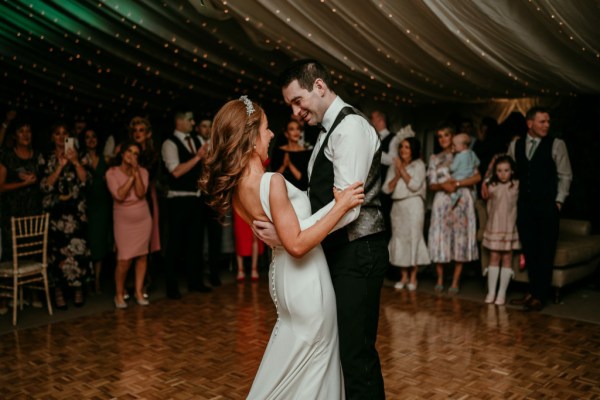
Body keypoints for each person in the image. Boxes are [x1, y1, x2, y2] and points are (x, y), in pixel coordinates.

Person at [200, 96, 364, 399]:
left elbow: (287, 235)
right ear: (250, 139)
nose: (271, 134)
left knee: (294, 364)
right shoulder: (272, 182)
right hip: (306, 281)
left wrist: (288, 233)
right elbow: (298, 244)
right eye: (265, 129)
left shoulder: (238, 191)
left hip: (283, 281)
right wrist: (341, 207)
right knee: (317, 366)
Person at [255, 59, 389, 399]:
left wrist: (292, 235)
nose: (296, 111)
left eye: (298, 101)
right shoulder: (327, 130)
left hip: (359, 251)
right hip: (338, 250)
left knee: (356, 356)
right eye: (290, 106)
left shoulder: (351, 128)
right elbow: (318, 197)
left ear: (319, 86)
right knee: (343, 354)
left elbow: (348, 207)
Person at [506, 107, 572, 311]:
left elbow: (565, 175)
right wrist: (488, 181)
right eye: (542, 122)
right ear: (530, 123)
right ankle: (532, 292)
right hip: (524, 206)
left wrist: (558, 201)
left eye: (548, 122)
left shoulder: (556, 144)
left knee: (545, 251)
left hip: (547, 206)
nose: (547, 125)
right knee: (530, 249)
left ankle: (539, 296)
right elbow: (507, 168)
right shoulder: (515, 144)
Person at [39, 122, 91, 309]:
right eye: (57, 133)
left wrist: (75, 162)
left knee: (79, 251)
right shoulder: (46, 157)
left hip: (76, 214)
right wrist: (60, 167)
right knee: (55, 254)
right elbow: (45, 186)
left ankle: (78, 290)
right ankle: (59, 292)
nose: (61, 137)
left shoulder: (81, 154)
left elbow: (87, 181)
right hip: (56, 216)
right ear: (52, 137)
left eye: (65, 133)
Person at [161, 109, 211, 298]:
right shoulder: (169, 143)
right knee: (175, 243)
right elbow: (175, 172)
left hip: (196, 198)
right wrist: (198, 157)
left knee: (195, 243)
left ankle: (195, 282)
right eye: (190, 120)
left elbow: (203, 165)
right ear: (179, 121)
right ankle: (171, 286)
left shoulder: (197, 141)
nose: (193, 123)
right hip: (178, 199)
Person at [427, 125, 480, 295]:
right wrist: (444, 185)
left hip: (462, 200)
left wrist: (456, 184)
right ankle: (441, 278)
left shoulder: (465, 154)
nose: (443, 139)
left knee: (460, 238)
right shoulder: (435, 158)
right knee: (440, 238)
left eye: (446, 135)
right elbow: (432, 185)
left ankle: (456, 280)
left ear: (453, 137)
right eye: (440, 136)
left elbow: (477, 177)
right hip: (442, 201)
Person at [106, 141, 152, 308]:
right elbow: (119, 195)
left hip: (143, 219)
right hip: (123, 220)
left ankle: (138, 291)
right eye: (130, 152)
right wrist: (132, 176)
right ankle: (119, 293)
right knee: (124, 259)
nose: (132, 156)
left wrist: (137, 173)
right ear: (122, 153)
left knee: (142, 256)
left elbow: (140, 193)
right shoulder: (111, 173)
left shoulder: (144, 172)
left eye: (136, 153)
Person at [382, 137, 430, 291]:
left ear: (413, 150)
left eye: (407, 147)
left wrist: (402, 170)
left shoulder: (419, 165)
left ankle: (413, 277)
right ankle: (403, 276)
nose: (403, 150)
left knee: (414, 238)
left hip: (414, 204)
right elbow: (386, 189)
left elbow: (415, 186)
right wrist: (396, 174)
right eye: (401, 146)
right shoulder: (393, 166)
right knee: (400, 239)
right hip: (397, 206)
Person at [481, 155, 520, 305]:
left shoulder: (516, 185)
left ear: (512, 171)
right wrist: (493, 161)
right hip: (495, 226)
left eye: (506, 170)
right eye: (499, 171)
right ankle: (491, 292)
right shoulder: (491, 186)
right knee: (494, 257)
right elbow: (486, 178)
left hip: (509, 227)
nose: (503, 174)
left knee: (507, 258)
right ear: (495, 172)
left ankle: (501, 294)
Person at [80, 127, 112, 294]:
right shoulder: (79, 159)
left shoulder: (105, 159)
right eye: (87, 137)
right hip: (85, 205)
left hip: (103, 204)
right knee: (88, 242)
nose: (91, 140)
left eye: (93, 136)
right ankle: (87, 279)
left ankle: (98, 279)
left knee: (99, 242)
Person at [195, 118, 224, 287]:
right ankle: (198, 277)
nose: (207, 129)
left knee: (215, 238)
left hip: (214, 196)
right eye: (204, 126)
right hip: (198, 197)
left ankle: (215, 274)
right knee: (197, 239)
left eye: (209, 126)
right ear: (198, 128)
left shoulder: (217, 145)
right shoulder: (193, 145)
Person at [269, 119, 311, 190]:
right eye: (292, 129)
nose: (296, 132)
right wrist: (284, 165)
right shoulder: (279, 151)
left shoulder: (307, 153)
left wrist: (290, 165)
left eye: (298, 129)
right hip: (281, 190)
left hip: (300, 191)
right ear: (286, 133)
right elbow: (273, 176)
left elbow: (304, 180)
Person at [449, 133, 480, 208]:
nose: (453, 146)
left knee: (449, 182)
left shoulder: (459, 156)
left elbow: (452, 168)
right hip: (470, 176)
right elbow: (478, 163)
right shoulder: (472, 153)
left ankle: (454, 196)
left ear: (464, 146)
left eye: (455, 145)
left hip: (459, 177)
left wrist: (449, 165)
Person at [233, 209, 263, 282]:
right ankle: (240, 270)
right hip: (238, 204)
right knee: (239, 236)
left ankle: (254, 269)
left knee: (254, 235)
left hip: (253, 205)